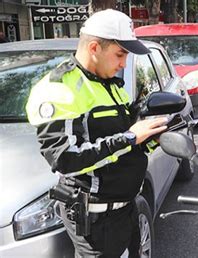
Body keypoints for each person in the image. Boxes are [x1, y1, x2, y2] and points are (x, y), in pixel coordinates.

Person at [26, 9, 168, 257]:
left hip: (127, 207)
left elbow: (124, 142)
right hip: (96, 221)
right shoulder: (59, 89)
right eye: (120, 54)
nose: (123, 63)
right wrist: (131, 137)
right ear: (94, 48)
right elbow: (66, 159)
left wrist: (151, 138)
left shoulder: (110, 83)